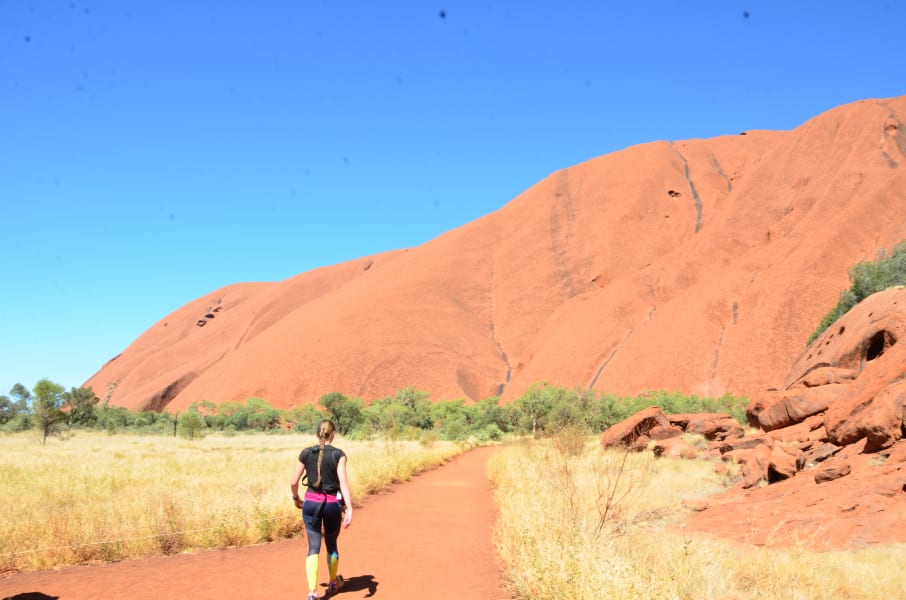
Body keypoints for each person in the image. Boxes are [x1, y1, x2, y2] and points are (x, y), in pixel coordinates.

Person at [291, 419, 353, 600]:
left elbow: (294, 482)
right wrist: (349, 507)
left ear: (318, 434)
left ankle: (312, 593)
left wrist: (296, 498)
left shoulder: (306, 453)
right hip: (332, 506)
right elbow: (343, 482)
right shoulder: (339, 454)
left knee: (313, 548)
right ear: (333, 434)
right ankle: (333, 582)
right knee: (332, 544)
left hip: (310, 505)